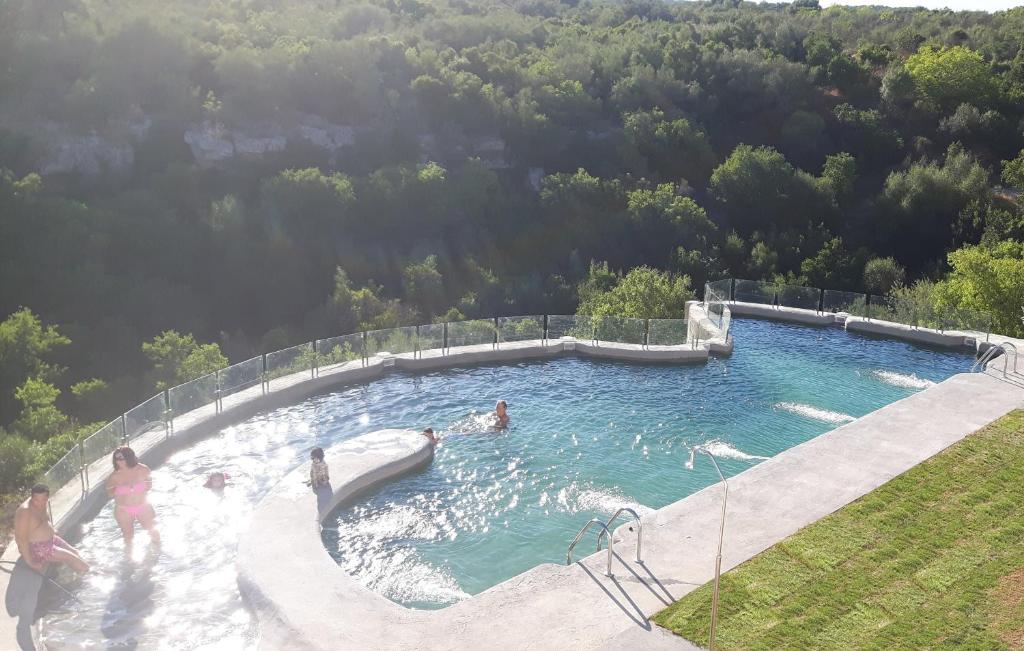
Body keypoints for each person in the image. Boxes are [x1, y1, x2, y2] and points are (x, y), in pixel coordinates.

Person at [14, 484, 89, 575]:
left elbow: (45, 519)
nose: (40, 503)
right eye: (36, 500)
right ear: (32, 497)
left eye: (44, 500)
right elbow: (21, 538)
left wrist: (51, 530)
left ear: (47, 498)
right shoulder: (25, 511)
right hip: (38, 547)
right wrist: (31, 562)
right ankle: (91, 576)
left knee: (76, 553)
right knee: (73, 559)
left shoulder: (42, 504)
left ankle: (79, 576)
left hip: (51, 540)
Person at [105, 447, 160, 547]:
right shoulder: (114, 476)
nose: (118, 461)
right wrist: (122, 490)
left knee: (152, 530)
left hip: (142, 505)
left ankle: (157, 553)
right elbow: (109, 493)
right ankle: (129, 559)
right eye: (116, 459)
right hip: (123, 509)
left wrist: (135, 488)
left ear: (129, 457)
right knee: (128, 536)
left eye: (121, 458)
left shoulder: (143, 469)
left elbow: (149, 485)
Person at [309, 447, 331, 514]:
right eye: (312, 458)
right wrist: (315, 484)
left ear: (319, 458)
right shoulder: (314, 465)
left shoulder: (324, 463)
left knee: (325, 480)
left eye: (313, 458)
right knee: (314, 478)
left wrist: (325, 480)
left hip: (322, 475)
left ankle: (322, 481)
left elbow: (326, 472)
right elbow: (314, 475)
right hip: (316, 476)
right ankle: (316, 482)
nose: (312, 460)